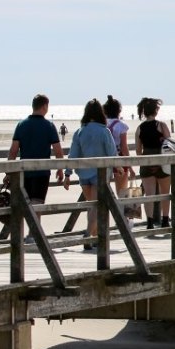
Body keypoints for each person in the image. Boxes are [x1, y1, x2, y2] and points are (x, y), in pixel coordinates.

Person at [64, 99, 118, 252]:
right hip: (99, 175)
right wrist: (118, 167)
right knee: (96, 207)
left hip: (83, 175)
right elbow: (112, 153)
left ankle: (94, 238)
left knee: (91, 206)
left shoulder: (80, 131)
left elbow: (73, 154)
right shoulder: (104, 131)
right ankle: (88, 235)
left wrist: (68, 174)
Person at [6, 94, 65, 212]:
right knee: (37, 206)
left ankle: (24, 230)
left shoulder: (21, 125)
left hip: (24, 172)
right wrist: (60, 169)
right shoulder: (49, 126)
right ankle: (34, 230)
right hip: (42, 173)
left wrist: (9, 172)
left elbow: (13, 151)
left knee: (23, 207)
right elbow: (58, 151)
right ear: (44, 106)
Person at [135, 97, 173, 230]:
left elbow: (138, 151)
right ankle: (165, 220)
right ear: (155, 111)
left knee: (149, 195)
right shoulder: (161, 125)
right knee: (165, 193)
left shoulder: (139, 128)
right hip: (162, 161)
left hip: (146, 161)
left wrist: (145, 159)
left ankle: (150, 222)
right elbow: (170, 144)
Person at [103, 96, 133, 212]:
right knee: (122, 192)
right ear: (119, 111)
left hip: (105, 158)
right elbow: (124, 148)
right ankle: (123, 219)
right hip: (119, 158)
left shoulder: (102, 124)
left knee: (103, 190)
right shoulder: (121, 125)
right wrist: (130, 167)